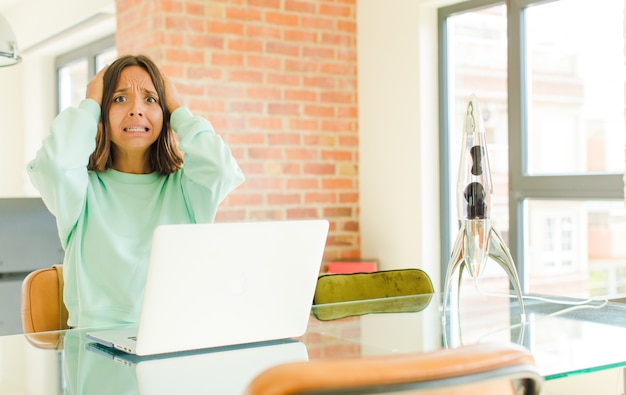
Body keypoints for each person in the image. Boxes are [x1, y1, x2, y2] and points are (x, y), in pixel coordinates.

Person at [27, 54, 245, 328]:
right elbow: (55, 164)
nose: (136, 110)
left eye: (151, 99)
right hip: (98, 350)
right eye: (119, 99)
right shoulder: (80, 190)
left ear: (164, 114)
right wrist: (90, 104)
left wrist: (177, 107)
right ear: (102, 115)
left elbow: (221, 169)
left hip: (175, 340)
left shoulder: (187, 189)